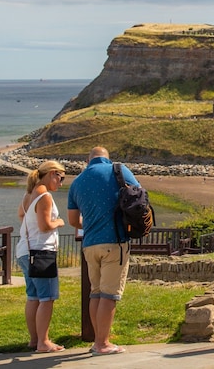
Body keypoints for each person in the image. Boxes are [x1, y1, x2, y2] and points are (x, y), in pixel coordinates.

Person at [67, 146, 138, 356]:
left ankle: (98, 340)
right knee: (109, 294)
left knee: (96, 293)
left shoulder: (77, 182)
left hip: (90, 244)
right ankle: (102, 344)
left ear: (88, 160)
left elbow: (73, 220)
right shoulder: (118, 170)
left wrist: (91, 223)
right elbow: (139, 196)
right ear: (106, 158)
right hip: (114, 240)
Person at [15, 160, 66, 354]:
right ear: (52, 173)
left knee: (33, 296)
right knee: (47, 298)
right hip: (42, 252)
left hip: (25, 251)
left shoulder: (29, 194)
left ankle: (35, 339)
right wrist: (59, 222)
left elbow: (21, 215)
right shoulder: (45, 196)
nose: (61, 184)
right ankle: (43, 342)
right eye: (60, 178)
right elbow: (45, 226)